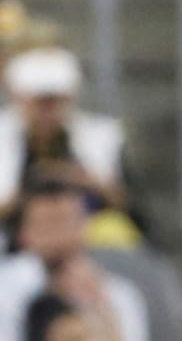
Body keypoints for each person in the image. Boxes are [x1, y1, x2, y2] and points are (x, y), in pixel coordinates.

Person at [7, 180, 151, 341]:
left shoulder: (118, 294)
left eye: (65, 221)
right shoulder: (6, 289)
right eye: (46, 224)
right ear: (24, 233)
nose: (57, 235)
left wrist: (103, 313)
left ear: (85, 225)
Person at [0, 46, 144, 243]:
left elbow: (132, 208)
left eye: (56, 101)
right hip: (14, 241)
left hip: (85, 239)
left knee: (115, 232)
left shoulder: (100, 138)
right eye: (40, 102)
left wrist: (81, 179)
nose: (48, 111)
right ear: (19, 98)